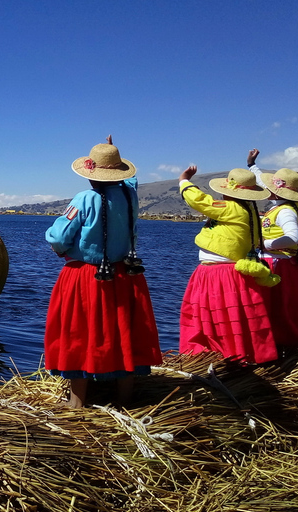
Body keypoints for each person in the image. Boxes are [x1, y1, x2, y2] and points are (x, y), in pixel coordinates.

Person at [44, 136, 162, 408]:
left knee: (80, 332)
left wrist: (52, 238)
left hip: (87, 276)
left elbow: (59, 238)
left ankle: (76, 402)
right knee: (124, 331)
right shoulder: (129, 195)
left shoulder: (84, 198)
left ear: (89, 174)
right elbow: (130, 181)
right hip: (126, 275)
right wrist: (113, 152)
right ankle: (125, 399)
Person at [178, 164, 279, 364]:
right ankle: (242, 354)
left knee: (213, 317)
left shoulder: (231, 208)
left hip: (218, 274)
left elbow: (201, 201)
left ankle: (217, 356)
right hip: (230, 272)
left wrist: (184, 181)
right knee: (234, 317)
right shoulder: (250, 210)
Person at [247, 149, 298, 350]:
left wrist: (265, 244)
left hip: (277, 264)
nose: (266, 188)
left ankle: (278, 343)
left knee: (276, 306)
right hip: (277, 262)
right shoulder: (281, 204)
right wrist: (252, 166)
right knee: (280, 306)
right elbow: (263, 182)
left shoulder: (285, 211)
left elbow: (292, 237)